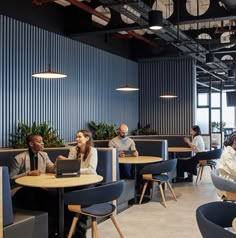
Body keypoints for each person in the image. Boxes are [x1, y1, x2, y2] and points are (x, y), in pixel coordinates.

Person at [9, 134, 58, 237]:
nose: (42, 143)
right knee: (34, 194)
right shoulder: (19, 158)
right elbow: (10, 179)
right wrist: (28, 173)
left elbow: (52, 169)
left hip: (39, 188)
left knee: (55, 197)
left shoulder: (44, 155)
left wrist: (58, 162)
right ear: (31, 144)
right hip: (20, 189)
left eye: (42, 141)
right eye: (39, 142)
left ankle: (53, 230)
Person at [57, 129, 97, 238]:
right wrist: (66, 162)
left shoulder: (93, 151)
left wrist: (76, 170)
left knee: (80, 199)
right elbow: (69, 166)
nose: (77, 139)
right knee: (63, 198)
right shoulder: (73, 149)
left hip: (88, 183)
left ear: (87, 138)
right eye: (77, 137)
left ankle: (80, 232)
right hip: (74, 182)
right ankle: (67, 231)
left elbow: (92, 170)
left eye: (79, 137)